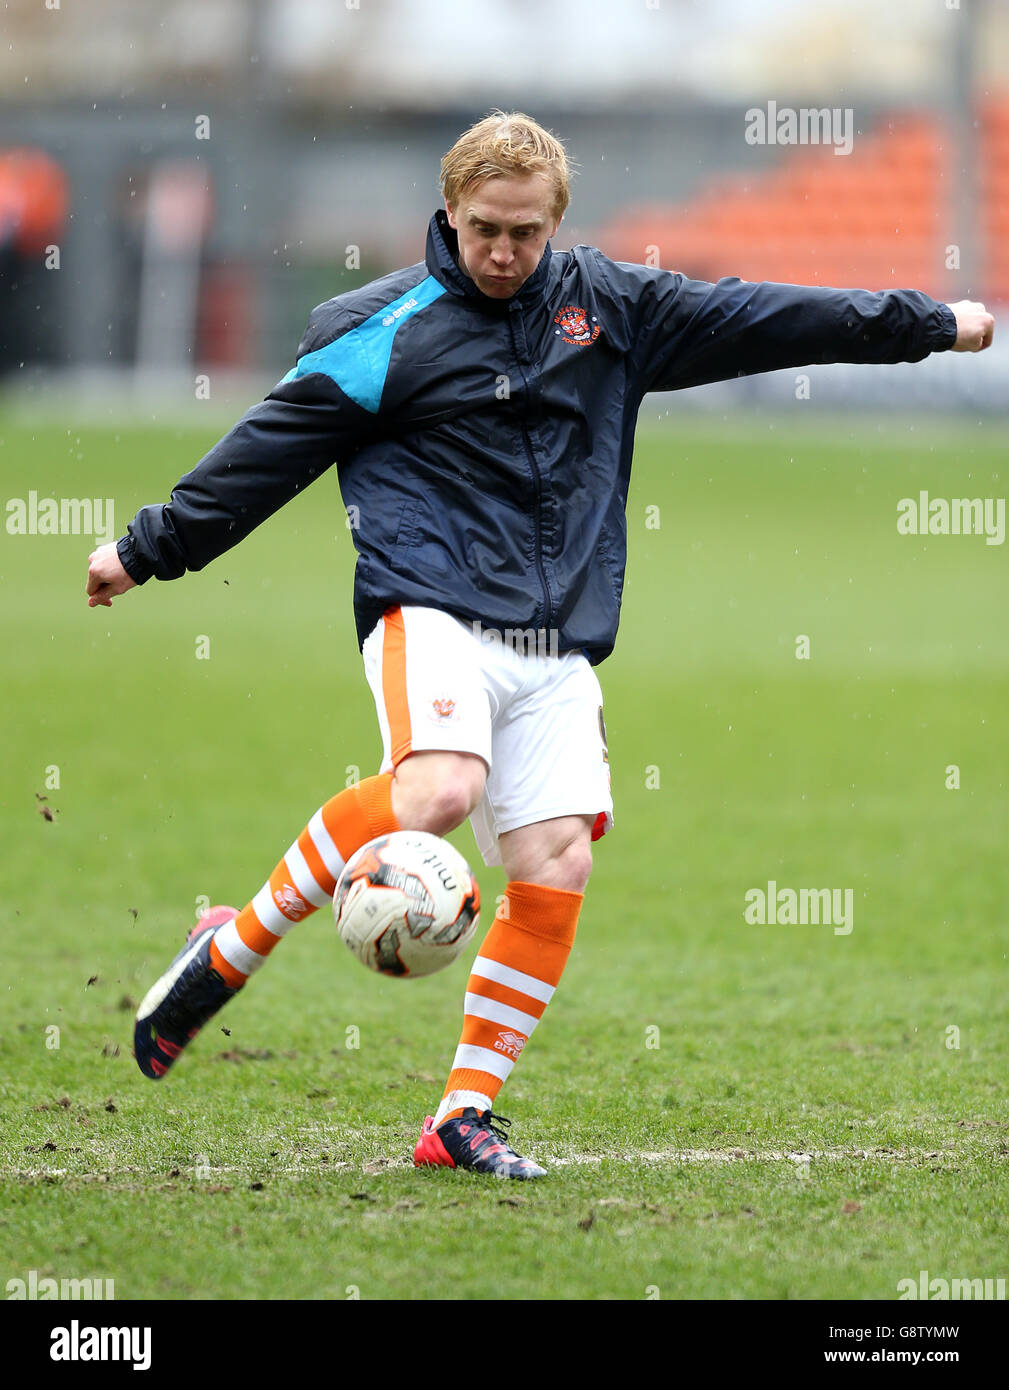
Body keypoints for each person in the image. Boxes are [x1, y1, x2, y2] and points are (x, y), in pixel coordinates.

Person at [85, 111, 994, 1180]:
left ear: (556, 222)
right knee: (435, 788)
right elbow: (261, 454)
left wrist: (930, 321)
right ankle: (233, 946)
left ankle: (460, 1116)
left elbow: (770, 317)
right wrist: (148, 550)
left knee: (554, 858)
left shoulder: (611, 306)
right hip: (428, 607)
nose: (504, 252)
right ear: (448, 212)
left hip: (557, 636)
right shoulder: (377, 329)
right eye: (484, 231)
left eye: (524, 232)